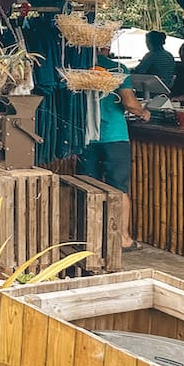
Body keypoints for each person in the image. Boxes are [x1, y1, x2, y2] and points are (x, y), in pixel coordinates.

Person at [80, 47, 151, 252]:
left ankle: (88, 236)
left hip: (86, 135)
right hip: (114, 136)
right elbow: (130, 103)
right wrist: (143, 112)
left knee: (88, 185)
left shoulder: (78, 67)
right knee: (118, 188)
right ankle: (123, 239)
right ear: (106, 45)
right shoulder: (117, 68)